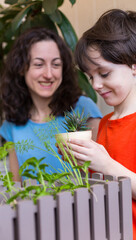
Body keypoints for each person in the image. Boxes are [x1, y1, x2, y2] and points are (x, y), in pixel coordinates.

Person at [61, 9, 136, 240]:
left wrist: (107, 165)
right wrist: (79, 161)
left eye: (104, 73)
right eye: (89, 76)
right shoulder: (104, 124)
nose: (95, 84)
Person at [0, 27, 102, 182]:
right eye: (39, 64)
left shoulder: (83, 109)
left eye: (56, 64)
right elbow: (16, 186)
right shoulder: (12, 123)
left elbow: (103, 173)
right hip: (32, 206)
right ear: (21, 68)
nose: (48, 74)